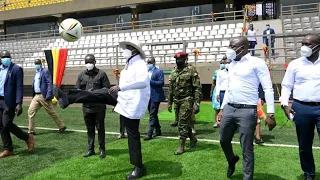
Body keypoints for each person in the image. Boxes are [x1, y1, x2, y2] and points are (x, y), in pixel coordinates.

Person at [54, 40, 149, 179]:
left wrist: (121, 87)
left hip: (132, 103)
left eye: (128, 48)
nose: (125, 50)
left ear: (134, 50)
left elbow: (143, 82)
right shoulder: (130, 63)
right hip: (125, 98)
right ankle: (68, 98)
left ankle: (139, 167)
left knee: (132, 135)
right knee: (99, 93)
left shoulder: (140, 64)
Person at [217, 36, 276, 180]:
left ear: (242, 48)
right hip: (230, 108)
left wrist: (271, 113)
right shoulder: (231, 64)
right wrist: (222, 108)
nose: (229, 49)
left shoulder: (257, 63)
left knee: (247, 148)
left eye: (232, 46)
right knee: (223, 140)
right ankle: (231, 159)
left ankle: (247, 177)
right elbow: (230, 88)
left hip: (247, 111)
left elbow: (268, 87)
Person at [280, 34, 320, 180]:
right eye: (302, 43)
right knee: (304, 145)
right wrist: (285, 104)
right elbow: (286, 85)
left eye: (308, 44)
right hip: (301, 108)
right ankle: (309, 174)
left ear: (318, 46)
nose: (304, 47)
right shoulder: (295, 64)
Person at [0, 50, 35, 158]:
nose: (5, 58)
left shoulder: (16, 69)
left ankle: (27, 137)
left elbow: (19, 87)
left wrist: (19, 103)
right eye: (3, 57)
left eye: (7, 56)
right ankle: (8, 149)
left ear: (10, 58)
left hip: (9, 101)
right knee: (1, 126)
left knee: (6, 123)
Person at [75, 54, 111, 159]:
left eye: (90, 62)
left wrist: (95, 92)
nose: (88, 64)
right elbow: (77, 90)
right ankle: (90, 149)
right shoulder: (81, 75)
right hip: (86, 107)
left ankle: (102, 149)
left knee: (100, 129)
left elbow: (106, 89)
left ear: (95, 62)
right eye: (86, 62)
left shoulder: (101, 74)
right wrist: (86, 93)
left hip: (99, 107)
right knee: (89, 129)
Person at [167, 52, 202, 155]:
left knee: (182, 123)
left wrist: (197, 103)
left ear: (185, 59)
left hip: (187, 99)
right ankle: (192, 138)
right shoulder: (174, 71)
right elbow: (170, 88)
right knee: (183, 122)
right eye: (177, 60)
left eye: (181, 60)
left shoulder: (191, 70)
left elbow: (197, 88)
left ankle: (181, 146)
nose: (178, 61)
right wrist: (169, 102)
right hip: (177, 101)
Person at [27, 59, 66, 135]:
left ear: (40, 64)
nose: (36, 65)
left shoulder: (45, 71)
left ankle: (61, 126)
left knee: (51, 111)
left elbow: (49, 83)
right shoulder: (36, 73)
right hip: (36, 95)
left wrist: (48, 94)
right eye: (35, 63)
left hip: (43, 95)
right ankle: (31, 131)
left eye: (37, 63)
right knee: (30, 111)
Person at [144, 57, 165, 141]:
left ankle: (150, 133)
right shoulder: (146, 72)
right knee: (153, 113)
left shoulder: (159, 72)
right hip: (147, 95)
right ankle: (158, 129)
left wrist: (149, 81)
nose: (149, 64)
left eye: (150, 62)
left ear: (154, 63)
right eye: (148, 62)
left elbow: (161, 83)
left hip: (155, 95)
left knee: (152, 114)